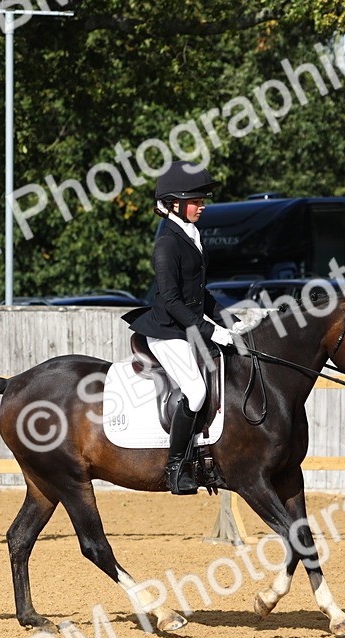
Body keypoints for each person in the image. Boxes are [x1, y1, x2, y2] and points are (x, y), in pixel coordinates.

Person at [124, 161, 234, 495]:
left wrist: (233, 322)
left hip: (185, 327)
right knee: (197, 391)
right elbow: (172, 301)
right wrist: (211, 331)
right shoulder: (167, 244)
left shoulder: (191, 236)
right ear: (174, 203)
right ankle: (176, 467)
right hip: (165, 330)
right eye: (196, 199)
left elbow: (200, 294)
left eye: (202, 199)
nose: (202, 205)